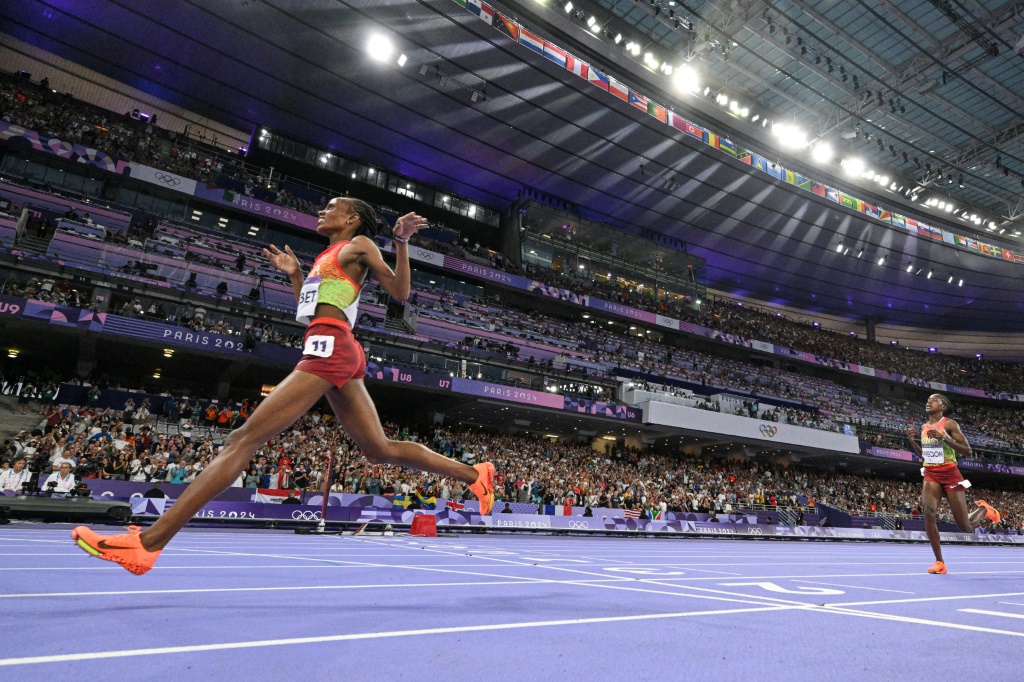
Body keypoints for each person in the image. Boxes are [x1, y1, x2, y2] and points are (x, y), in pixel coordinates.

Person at [72, 198, 495, 574]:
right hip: (329, 343)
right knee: (377, 448)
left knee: (240, 440)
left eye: (330, 207)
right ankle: (474, 474)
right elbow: (310, 310)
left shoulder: (359, 245)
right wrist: (296, 275)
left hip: (331, 348)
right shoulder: (326, 255)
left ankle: (148, 543)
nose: (321, 211)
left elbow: (399, 292)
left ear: (350, 218)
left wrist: (401, 241)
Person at [906, 393, 1000, 574]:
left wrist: (944, 438)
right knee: (929, 512)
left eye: (934, 400)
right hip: (931, 473)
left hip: (950, 474)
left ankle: (983, 509)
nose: (929, 401)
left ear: (943, 407)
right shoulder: (924, 427)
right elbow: (925, 456)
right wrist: (912, 441)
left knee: (965, 526)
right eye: (928, 399)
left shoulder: (949, 424)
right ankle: (939, 562)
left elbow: (968, 451)